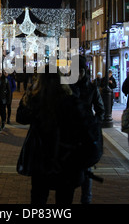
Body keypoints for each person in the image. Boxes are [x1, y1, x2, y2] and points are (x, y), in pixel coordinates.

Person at [16, 68, 96, 204]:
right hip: (67, 160)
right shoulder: (71, 100)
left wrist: (28, 93)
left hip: (41, 160)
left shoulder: (37, 101)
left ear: (40, 81)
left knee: (38, 198)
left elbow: (21, 117)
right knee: (64, 200)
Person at [70, 56, 104, 204]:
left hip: (87, 134)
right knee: (70, 171)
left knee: (87, 170)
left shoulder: (91, 88)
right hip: (71, 133)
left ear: (84, 71)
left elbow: (101, 110)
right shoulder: (68, 87)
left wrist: (93, 123)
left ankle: (86, 199)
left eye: (78, 71)